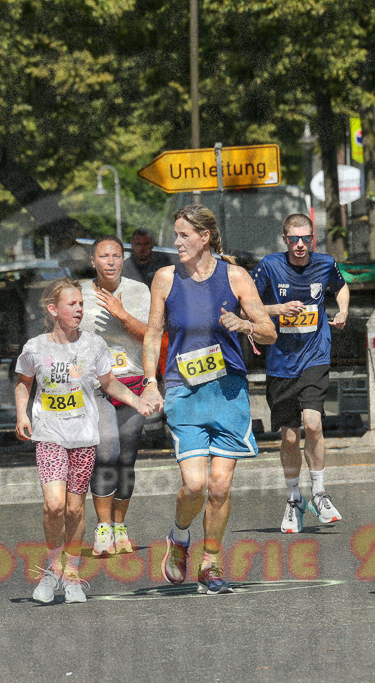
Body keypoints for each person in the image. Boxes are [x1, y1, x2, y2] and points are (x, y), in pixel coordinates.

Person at [139, 205, 276, 594]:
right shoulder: (165, 279)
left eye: (183, 235)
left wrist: (246, 324)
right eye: (176, 235)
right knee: (194, 486)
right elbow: (152, 334)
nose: (176, 242)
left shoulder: (235, 277)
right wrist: (150, 382)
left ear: (205, 238)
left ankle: (212, 562)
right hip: (184, 391)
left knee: (219, 486)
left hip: (227, 392)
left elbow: (269, 332)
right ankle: (179, 536)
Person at [15, 278, 149, 604]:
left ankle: (71, 572)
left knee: (75, 509)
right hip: (49, 435)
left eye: (80, 303)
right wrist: (22, 415)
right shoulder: (35, 347)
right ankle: (51, 570)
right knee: (55, 505)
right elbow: (23, 382)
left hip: (84, 437)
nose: (79, 309)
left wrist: (137, 401)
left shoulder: (94, 345)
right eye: (72, 304)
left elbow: (110, 383)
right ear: (53, 309)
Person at [250, 213, 350, 533]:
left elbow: (341, 287)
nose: (300, 245)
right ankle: (294, 499)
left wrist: (343, 309)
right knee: (290, 435)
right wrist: (278, 310)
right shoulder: (270, 266)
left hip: (315, 355)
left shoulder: (325, 263)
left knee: (313, 422)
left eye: (306, 238)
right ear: (285, 240)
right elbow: (247, 305)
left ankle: (319, 493)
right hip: (281, 361)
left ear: (313, 239)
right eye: (294, 239)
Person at [78, 236, 151, 556]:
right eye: (103, 256)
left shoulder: (139, 291)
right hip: (95, 387)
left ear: (124, 259)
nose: (110, 261)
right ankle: (103, 527)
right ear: (93, 261)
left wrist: (121, 314)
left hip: (132, 382)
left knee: (127, 456)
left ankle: (120, 526)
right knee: (107, 448)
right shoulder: (78, 293)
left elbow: (151, 336)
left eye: (116, 256)